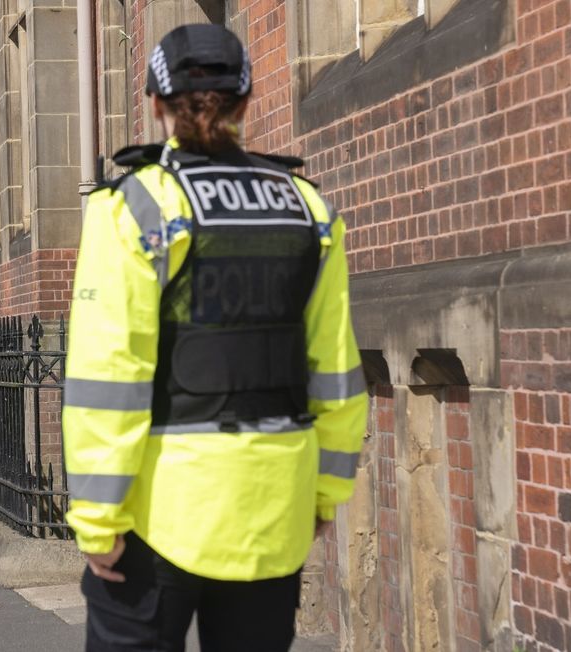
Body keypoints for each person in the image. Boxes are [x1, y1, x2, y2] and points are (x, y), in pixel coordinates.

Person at [62, 24, 368, 651]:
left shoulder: (135, 210)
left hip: (158, 519)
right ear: (246, 102)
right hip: (273, 508)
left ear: (155, 103)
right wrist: (325, 494)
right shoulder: (307, 208)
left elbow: (107, 378)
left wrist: (97, 518)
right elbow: (336, 373)